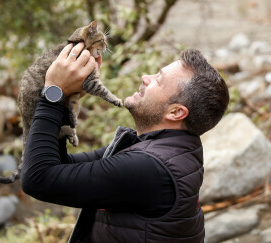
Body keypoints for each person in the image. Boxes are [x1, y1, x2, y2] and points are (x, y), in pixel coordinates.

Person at [21, 43, 229, 243]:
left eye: (158, 80)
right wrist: (66, 98)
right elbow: (59, 165)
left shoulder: (149, 168)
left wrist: (54, 91)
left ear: (175, 112)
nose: (145, 78)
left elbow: (38, 178)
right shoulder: (166, 151)